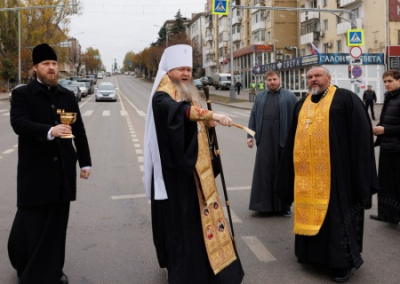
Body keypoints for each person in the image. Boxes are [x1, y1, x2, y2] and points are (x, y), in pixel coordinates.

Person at [144, 44, 244, 284]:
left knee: (205, 220)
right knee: (185, 225)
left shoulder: (187, 92)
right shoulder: (161, 96)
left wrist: (207, 128)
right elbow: (177, 113)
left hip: (198, 172)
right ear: (169, 71)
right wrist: (212, 115)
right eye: (181, 69)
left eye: (188, 69)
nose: (186, 74)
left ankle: (215, 270)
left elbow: (191, 124)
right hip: (177, 175)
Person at [275, 66, 378, 283]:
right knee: (309, 216)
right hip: (307, 177)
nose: (313, 80)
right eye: (310, 77)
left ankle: (341, 264)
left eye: (317, 76)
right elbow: (292, 139)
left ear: (328, 78)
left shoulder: (345, 99)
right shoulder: (301, 104)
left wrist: (360, 175)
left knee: (337, 220)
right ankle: (310, 256)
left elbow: (361, 137)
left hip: (338, 176)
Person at [8, 43, 92, 284]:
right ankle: (30, 270)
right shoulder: (22, 95)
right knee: (33, 226)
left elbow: (79, 131)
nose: (52, 68)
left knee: (56, 228)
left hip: (62, 172)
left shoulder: (66, 95)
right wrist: (49, 130)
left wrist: (85, 162)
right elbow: (19, 124)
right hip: (35, 173)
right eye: (46, 64)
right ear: (35, 68)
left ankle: (54, 270)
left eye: (54, 64)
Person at [247, 70, 297, 216]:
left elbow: (297, 118)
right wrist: (250, 136)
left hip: (284, 141)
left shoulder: (290, 97)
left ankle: (285, 206)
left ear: (279, 79)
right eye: (269, 80)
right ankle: (263, 206)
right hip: (265, 140)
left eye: (274, 79)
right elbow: (253, 116)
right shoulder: (260, 97)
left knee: (283, 174)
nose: (272, 82)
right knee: (264, 173)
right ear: (266, 81)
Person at [370, 70, 400, 224]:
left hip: (397, 149)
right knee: (386, 183)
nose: (386, 84)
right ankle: (387, 214)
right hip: (387, 146)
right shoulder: (390, 97)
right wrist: (380, 129)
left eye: (389, 81)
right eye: (384, 82)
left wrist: (385, 130)